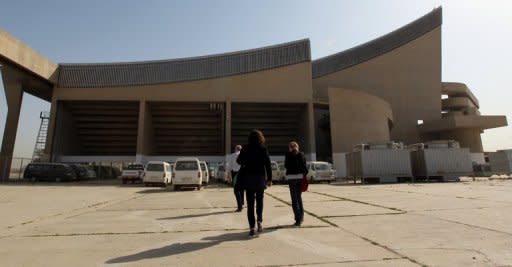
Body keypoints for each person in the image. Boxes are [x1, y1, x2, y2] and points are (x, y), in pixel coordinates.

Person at [237, 129, 272, 237]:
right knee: (260, 201)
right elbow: (268, 164)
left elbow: (239, 161)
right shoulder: (263, 148)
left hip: (248, 178)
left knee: (250, 203)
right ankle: (259, 221)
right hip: (260, 178)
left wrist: (247, 162)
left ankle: (252, 227)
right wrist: (269, 179)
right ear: (260, 138)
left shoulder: (245, 148)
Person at [284, 141, 308, 226]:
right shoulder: (301, 154)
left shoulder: (288, 155)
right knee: (299, 198)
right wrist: (304, 175)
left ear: (290, 147)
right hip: (299, 178)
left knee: (294, 200)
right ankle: (301, 217)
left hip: (291, 178)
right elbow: (304, 167)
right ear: (297, 147)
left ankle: (297, 219)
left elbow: (286, 165)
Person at [227, 145, 244, 212]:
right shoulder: (244, 154)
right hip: (243, 173)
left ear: (235, 149)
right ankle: (242, 202)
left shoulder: (232, 155)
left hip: (236, 174)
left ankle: (240, 207)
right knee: (242, 189)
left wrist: (228, 175)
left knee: (236, 190)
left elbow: (229, 166)